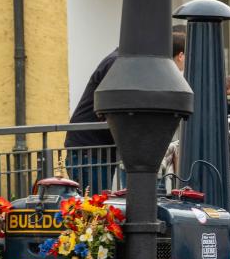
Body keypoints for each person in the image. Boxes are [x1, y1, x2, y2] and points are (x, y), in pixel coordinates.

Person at [66, 26, 187, 192]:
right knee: (95, 207)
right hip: (90, 151)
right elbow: (118, 105)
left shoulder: (122, 62)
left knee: (100, 205)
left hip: (97, 149)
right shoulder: (118, 63)